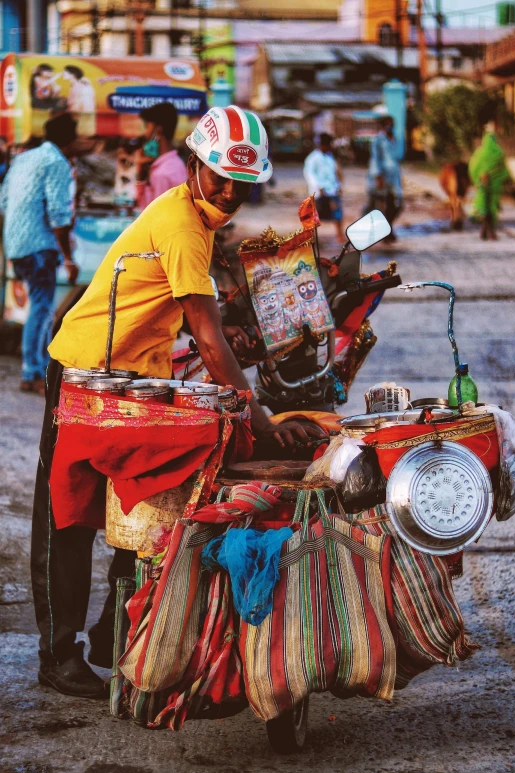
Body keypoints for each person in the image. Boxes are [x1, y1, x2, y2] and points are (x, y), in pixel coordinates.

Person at [33, 105, 322, 700]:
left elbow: (199, 319)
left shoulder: (199, 220)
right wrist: (260, 419)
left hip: (133, 375)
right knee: (67, 517)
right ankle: (59, 657)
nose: (230, 192)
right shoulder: (184, 225)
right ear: (193, 165)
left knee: (134, 502)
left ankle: (114, 636)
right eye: (219, 178)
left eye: (242, 183)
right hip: (84, 370)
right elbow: (210, 337)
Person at [0, 113, 79, 394]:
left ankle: (34, 369)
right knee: (42, 310)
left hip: (17, 244)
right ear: (69, 140)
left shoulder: (24, 158)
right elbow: (59, 215)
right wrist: (68, 257)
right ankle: (33, 372)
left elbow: (4, 200)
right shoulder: (56, 161)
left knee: (38, 308)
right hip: (39, 246)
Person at [135, 102, 187, 210]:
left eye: (147, 127)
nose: (145, 133)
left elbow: (151, 216)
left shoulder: (161, 174)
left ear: (158, 130)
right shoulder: (178, 164)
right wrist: (141, 173)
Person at [468, 119, 510, 240]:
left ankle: (485, 231)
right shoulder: (499, 153)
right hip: (494, 188)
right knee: (491, 209)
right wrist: (507, 180)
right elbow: (504, 169)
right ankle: (490, 232)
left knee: (483, 208)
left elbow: (473, 166)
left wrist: (476, 179)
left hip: (482, 185)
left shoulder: (479, 153)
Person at [303, 133, 345, 244]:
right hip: (319, 192)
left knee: (337, 213)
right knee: (314, 216)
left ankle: (340, 236)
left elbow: (334, 173)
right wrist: (318, 187)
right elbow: (309, 175)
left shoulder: (330, 157)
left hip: (332, 190)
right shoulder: (312, 158)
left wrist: (339, 186)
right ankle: (312, 238)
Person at [366, 116, 402, 242]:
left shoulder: (394, 139)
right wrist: (378, 176)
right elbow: (375, 158)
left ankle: (388, 227)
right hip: (381, 177)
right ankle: (378, 232)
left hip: (394, 178)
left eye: (392, 124)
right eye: (387, 124)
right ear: (382, 126)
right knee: (377, 205)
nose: (390, 127)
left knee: (397, 205)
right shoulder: (378, 140)